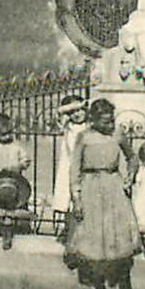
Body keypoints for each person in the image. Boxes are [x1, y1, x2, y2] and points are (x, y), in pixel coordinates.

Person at [65, 99, 144, 289]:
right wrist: (77, 198)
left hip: (114, 189)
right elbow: (74, 170)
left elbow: (133, 157)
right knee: (95, 243)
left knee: (120, 242)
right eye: (105, 122)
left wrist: (129, 178)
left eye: (111, 120)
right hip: (91, 190)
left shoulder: (118, 134)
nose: (110, 125)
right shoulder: (84, 138)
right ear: (93, 120)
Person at [0, 112, 32, 250]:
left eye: (9, 133)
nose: (7, 137)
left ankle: (7, 236)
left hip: (12, 183)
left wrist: (19, 165)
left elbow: (26, 160)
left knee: (9, 211)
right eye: (2, 134)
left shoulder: (17, 146)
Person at [51, 96, 88, 239]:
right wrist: (69, 109)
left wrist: (82, 105)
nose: (78, 114)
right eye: (73, 111)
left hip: (84, 164)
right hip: (68, 165)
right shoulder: (67, 125)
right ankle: (67, 229)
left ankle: (83, 231)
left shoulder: (89, 126)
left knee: (82, 197)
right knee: (67, 198)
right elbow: (58, 113)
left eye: (80, 110)